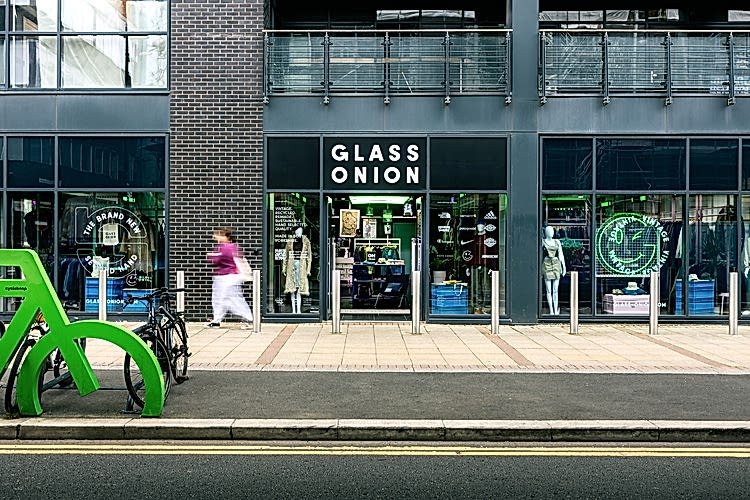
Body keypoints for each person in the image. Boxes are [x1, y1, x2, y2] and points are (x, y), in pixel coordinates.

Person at [206, 227, 253, 328]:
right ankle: (216, 320)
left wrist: (212, 256)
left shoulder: (226, 247)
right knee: (223, 299)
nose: (215, 237)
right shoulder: (230, 247)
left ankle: (248, 318)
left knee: (230, 299)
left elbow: (218, 260)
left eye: (218, 235)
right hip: (227, 276)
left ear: (225, 237)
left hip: (227, 276)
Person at [283, 226, 312, 314]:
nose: (299, 233)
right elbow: (285, 256)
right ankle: (293, 310)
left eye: (301, 231)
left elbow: (309, 257)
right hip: (291, 265)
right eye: (298, 231)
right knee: (292, 288)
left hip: (301, 265)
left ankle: (298, 310)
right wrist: (284, 268)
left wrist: (308, 270)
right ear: (295, 232)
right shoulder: (290, 242)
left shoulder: (306, 241)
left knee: (299, 287)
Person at [542, 225, 566, 315]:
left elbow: (561, 254)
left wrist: (564, 267)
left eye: (552, 231)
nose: (550, 233)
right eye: (548, 231)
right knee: (549, 290)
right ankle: (551, 310)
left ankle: (556, 311)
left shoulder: (557, 242)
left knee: (555, 289)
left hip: (556, 264)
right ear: (545, 233)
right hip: (547, 264)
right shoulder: (543, 242)